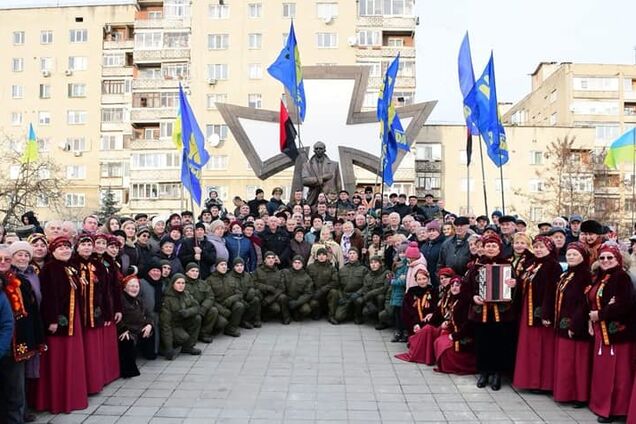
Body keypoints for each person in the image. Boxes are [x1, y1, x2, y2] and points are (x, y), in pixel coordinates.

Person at [34, 236, 89, 413]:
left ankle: (72, 396)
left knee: (72, 361)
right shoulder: (49, 270)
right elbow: (48, 297)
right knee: (59, 362)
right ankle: (58, 400)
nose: (65, 250)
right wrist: (52, 319)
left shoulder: (70, 267)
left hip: (74, 321)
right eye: (61, 248)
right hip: (58, 323)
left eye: (67, 247)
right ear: (53, 251)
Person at [587, 244, 635, 423]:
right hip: (602, 330)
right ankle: (603, 405)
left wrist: (600, 314)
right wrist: (592, 318)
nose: (605, 261)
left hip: (618, 332)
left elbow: (623, 305)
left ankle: (617, 410)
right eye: (602, 258)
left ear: (618, 259)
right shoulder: (600, 277)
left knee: (619, 373)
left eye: (610, 258)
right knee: (604, 371)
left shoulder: (621, 277)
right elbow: (593, 301)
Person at [513, 236, 561, 392]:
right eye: (536, 247)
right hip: (527, 310)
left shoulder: (553, 266)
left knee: (541, 348)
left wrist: (546, 314)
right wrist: (516, 283)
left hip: (540, 313)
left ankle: (542, 383)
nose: (539, 250)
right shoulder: (533, 264)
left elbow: (551, 291)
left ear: (549, 249)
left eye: (542, 247)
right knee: (530, 347)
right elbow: (527, 283)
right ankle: (529, 380)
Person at [468, 234, 516, 391]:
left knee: (500, 343)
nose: (490, 248)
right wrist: (474, 297)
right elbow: (467, 287)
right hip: (481, 311)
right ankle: (483, 372)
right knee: (483, 342)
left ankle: (497, 374)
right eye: (488, 245)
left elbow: (516, 289)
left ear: (499, 248)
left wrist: (514, 284)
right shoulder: (477, 265)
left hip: (501, 313)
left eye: (493, 246)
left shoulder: (507, 265)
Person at [552, 242, 592, 406]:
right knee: (566, 363)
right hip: (563, 323)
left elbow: (584, 303)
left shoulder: (585, 276)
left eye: (575, 254)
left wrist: (574, 325)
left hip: (576, 325)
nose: (571, 257)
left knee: (578, 363)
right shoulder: (567, 274)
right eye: (569, 254)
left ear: (583, 257)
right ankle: (566, 393)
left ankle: (579, 396)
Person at [433, 276, 476, 375]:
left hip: (466, 335)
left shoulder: (466, 301)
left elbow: (468, 324)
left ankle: (455, 366)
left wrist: (455, 336)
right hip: (457, 331)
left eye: (457, 285)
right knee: (439, 340)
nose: (454, 288)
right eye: (452, 285)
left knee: (444, 344)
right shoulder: (455, 299)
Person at [117, 273, 155, 378]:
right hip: (126, 330)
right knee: (126, 340)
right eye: (131, 286)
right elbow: (116, 319)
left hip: (138, 328)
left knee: (151, 329)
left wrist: (149, 324)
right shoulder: (121, 301)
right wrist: (123, 329)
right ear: (125, 288)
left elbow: (149, 314)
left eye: (136, 286)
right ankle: (128, 371)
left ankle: (149, 354)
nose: (134, 289)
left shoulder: (139, 300)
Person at [160, 274, 202, 360]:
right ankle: (168, 346)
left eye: (183, 283)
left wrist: (188, 312)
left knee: (197, 318)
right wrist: (169, 348)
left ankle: (188, 347)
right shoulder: (167, 299)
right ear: (173, 284)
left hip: (183, 321)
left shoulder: (186, 294)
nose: (181, 285)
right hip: (173, 325)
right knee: (184, 337)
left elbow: (197, 307)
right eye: (178, 283)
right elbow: (165, 325)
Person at [184, 263, 218, 344]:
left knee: (213, 310)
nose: (195, 273)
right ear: (187, 272)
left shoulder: (203, 283)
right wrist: (195, 309)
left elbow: (210, 297)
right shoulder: (183, 283)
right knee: (196, 318)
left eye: (197, 271)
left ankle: (204, 334)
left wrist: (203, 308)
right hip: (190, 310)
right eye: (192, 271)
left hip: (202, 309)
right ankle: (192, 337)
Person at [207, 259, 243, 337]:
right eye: (221, 265)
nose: (224, 267)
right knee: (222, 322)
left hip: (229, 305)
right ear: (216, 267)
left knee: (239, 305)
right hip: (218, 307)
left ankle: (231, 329)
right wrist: (221, 310)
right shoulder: (209, 280)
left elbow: (239, 294)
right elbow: (209, 298)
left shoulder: (231, 278)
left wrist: (231, 299)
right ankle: (213, 330)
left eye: (225, 265)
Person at [299, 141, 342, 205]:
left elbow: (338, 183)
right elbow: (305, 181)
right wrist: (322, 178)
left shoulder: (334, 165)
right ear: (314, 150)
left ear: (324, 150)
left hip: (330, 197)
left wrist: (339, 197)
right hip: (313, 197)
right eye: (316, 149)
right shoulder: (307, 165)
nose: (318, 150)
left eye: (320, 148)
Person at [332, 248, 368, 324]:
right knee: (338, 317)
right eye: (350, 253)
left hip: (357, 295)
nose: (352, 255)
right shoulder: (343, 269)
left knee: (359, 301)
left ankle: (358, 316)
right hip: (346, 296)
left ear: (358, 256)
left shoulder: (363, 269)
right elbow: (338, 285)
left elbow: (366, 285)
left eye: (354, 253)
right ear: (348, 255)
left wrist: (358, 293)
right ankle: (349, 313)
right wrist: (341, 296)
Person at [253, 252, 290, 325]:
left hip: (272, 297)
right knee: (256, 295)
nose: (271, 260)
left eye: (273, 258)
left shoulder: (278, 272)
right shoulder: (258, 270)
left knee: (281, 300)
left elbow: (281, 288)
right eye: (268, 258)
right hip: (261, 296)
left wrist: (270, 299)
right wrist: (266, 287)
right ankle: (257, 318)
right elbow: (254, 283)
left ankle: (285, 317)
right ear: (264, 260)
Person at [401, 269, 436, 337]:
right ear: (416, 280)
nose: (422, 281)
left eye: (424, 278)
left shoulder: (433, 291)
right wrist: (415, 323)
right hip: (413, 324)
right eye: (419, 279)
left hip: (428, 324)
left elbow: (435, 309)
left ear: (428, 279)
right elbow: (406, 310)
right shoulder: (411, 292)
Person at [356, 256, 390, 326]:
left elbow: (385, 288)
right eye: (371, 263)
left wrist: (371, 293)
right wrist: (368, 303)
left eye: (376, 262)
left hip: (382, 298)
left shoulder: (386, 273)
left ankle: (381, 322)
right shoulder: (368, 276)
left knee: (380, 297)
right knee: (359, 301)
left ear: (380, 264)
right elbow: (365, 289)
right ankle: (359, 318)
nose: (373, 265)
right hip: (371, 300)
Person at [306, 248, 339, 321]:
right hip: (315, 294)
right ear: (316, 257)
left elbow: (335, 282)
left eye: (323, 255)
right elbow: (307, 282)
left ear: (327, 257)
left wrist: (322, 290)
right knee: (313, 304)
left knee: (334, 292)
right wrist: (312, 292)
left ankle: (331, 315)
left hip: (327, 293)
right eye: (319, 255)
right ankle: (317, 312)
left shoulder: (331, 268)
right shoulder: (310, 267)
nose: (321, 256)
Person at [228, 258, 261, 328]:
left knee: (256, 299)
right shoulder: (229, 277)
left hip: (246, 297)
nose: (239, 268)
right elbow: (232, 292)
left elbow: (252, 285)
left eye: (241, 265)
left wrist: (251, 291)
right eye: (237, 266)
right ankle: (237, 322)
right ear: (233, 267)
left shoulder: (247, 275)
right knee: (240, 305)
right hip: (237, 300)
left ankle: (247, 320)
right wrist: (242, 300)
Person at [283, 256, 317, 322]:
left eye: (299, 263)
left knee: (306, 309)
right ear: (292, 263)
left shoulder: (306, 277)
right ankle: (286, 316)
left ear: (302, 264)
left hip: (299, 301)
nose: (297, 264)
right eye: (295, 262)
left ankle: (297, 314)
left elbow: (308, 293)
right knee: (282, 298)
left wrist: (297, 303)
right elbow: (281, 286)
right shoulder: (285, 273)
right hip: (288, 299)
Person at [389, 243, 409, 342]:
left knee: (402, 314)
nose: (402, 254)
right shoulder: (397, 263)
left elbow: (402, 281)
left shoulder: (407, 265)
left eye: (404, 252)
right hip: (396, 293)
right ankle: (398, 331)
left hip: (402, 293)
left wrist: (392, 281)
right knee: (397, 313)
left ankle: (404, 332)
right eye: (400, 252)